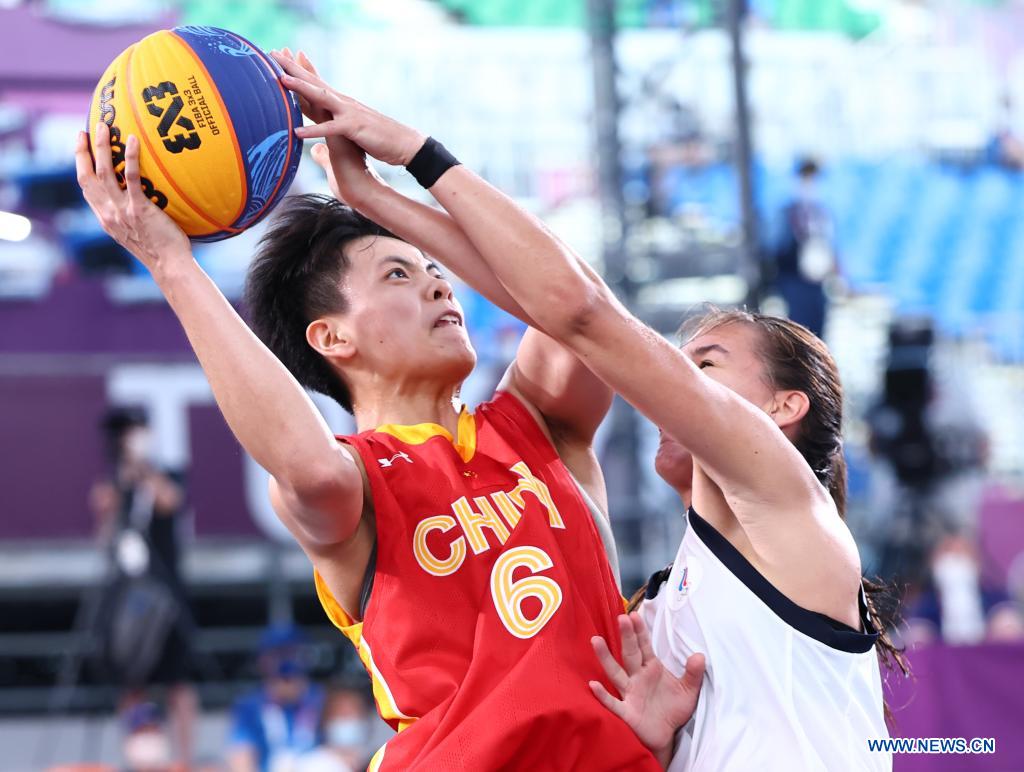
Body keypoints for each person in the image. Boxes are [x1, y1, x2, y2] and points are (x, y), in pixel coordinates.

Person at [269, 55, 900, 770]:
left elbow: (577, 316)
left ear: (785, 408)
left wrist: (414, 163)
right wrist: (657, 739)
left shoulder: (790, 509)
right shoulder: (658, 613)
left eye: (705, 366)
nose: (668, 382)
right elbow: (570, 319)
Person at [75, 46, 699, 766]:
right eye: (401, 275)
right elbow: (305, 467)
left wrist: (396, 177)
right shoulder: (354, 483)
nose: (441, 288)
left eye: (440, 271)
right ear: (331, 336)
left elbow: (579, 309)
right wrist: (172, 264)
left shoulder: (540, 424)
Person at [89, 406, 197, 768]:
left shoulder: (165, 473)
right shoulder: (114, 484)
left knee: (177, 678)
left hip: (163, 590)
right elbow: (106, 540)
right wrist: (112, 501)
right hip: (126, 593)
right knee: (129, 676)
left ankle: (183, 757)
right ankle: (136, 753)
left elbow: (171, 502)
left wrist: (143, 470)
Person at [227, 626, 325, 772]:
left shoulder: (322, 699)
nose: (286, 661)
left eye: (293, 653)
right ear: (262, 661)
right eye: (277, 654)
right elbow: (241, 758)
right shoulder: (249, 706)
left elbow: (346, 752)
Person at [770, 158, 837, 338]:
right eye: (806, 177)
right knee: (799, 328)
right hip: (794, 279)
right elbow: (777, 246)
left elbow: (829, 244)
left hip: (816, 282)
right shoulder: (787, 212)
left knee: (818, 327)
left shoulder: (822, 212)